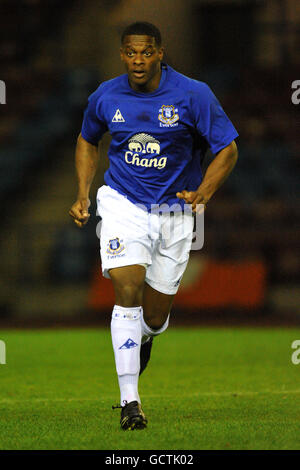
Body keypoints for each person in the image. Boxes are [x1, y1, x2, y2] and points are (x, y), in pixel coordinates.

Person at [69, 21, 238, 431]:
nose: (138, 60)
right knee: (126, 289)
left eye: (146, 52)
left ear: (160, 52)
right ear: (122, 54)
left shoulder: (193, 94)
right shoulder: (106, 95)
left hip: (174, 213)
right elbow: (87, 139)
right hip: (123, 203)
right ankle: (130, 402)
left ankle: (145, 335)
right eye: (131, 53)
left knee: (156, 316)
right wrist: (83, 193)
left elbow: (228, 149)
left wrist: (204, 192)